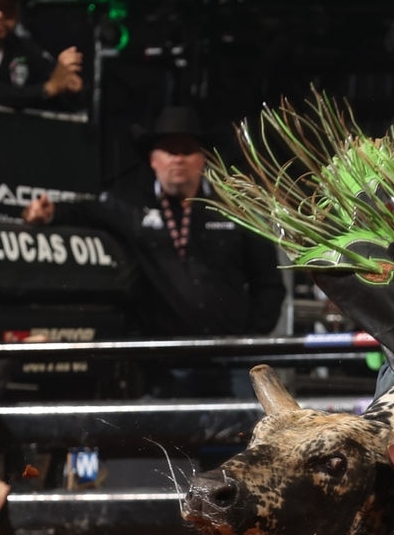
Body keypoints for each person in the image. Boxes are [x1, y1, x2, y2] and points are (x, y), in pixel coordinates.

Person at [25, 107, 284, 390]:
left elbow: (269, 281)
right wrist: (49, 213)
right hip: (164, 362)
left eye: (187, 150)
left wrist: (250, 336)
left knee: (245, 431)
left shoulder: (234, 209)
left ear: (203, 159)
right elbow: (86, 211)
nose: (178, 159)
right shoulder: (132, 207)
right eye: (169, 150)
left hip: (232, 360)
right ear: (153, 159)